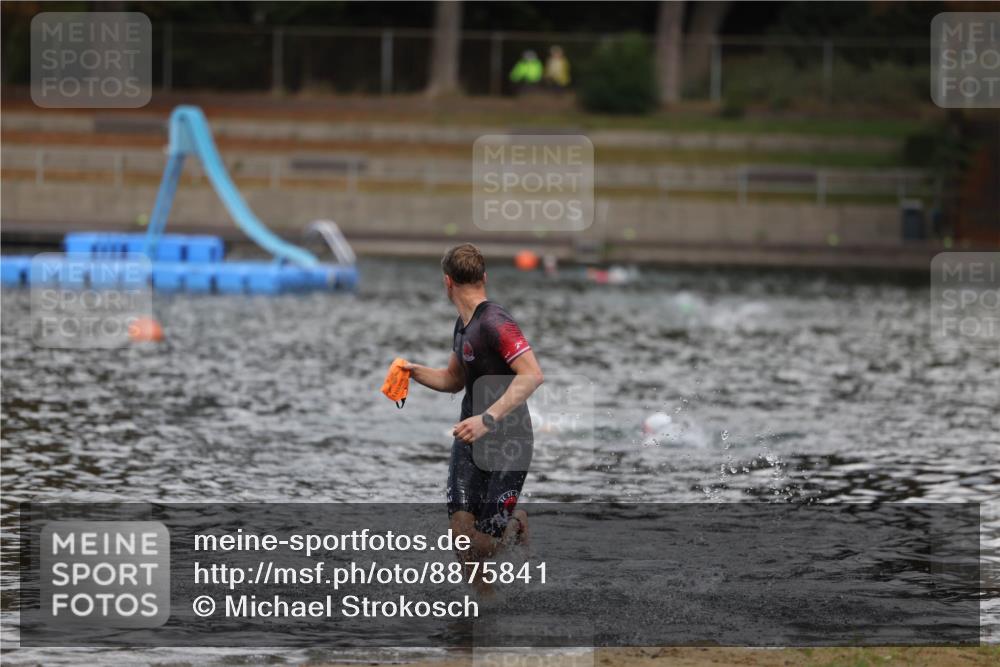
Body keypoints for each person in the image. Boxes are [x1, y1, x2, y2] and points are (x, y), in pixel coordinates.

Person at [403, 244, 544, 594]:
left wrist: (488, 419)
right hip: (470, 436)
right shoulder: (463, 325)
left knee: (485, 546)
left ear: (447, 282)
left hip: (509, 440)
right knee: (462, 542)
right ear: (484, 277)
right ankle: (485, 607)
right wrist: (412, 371)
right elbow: (454, 380)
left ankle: (516, 524)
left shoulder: (495, 322)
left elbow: (532, 375)